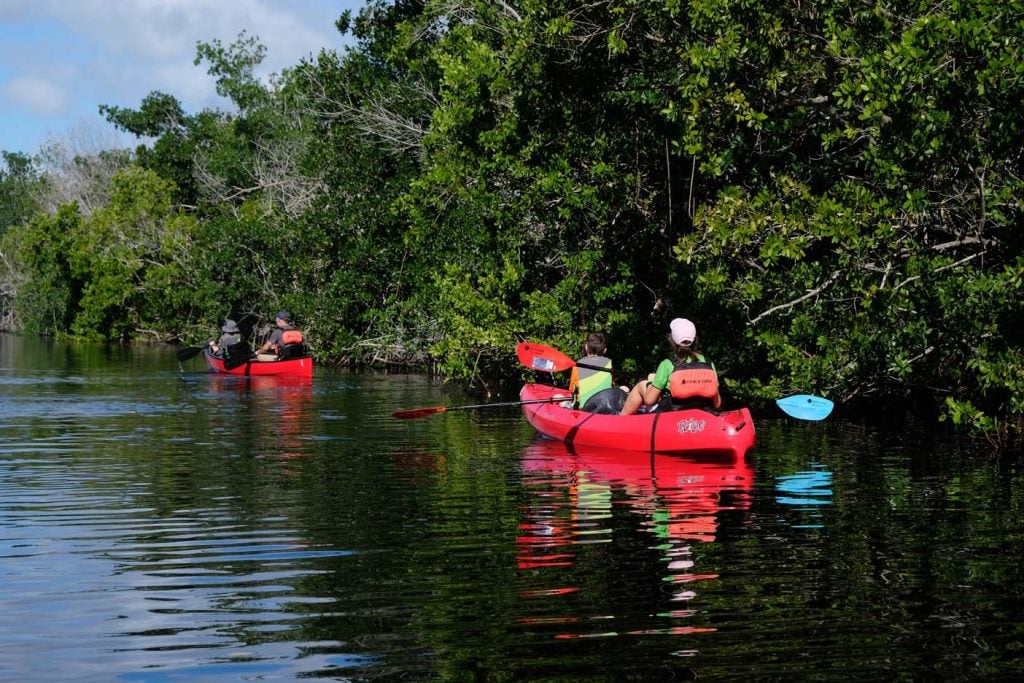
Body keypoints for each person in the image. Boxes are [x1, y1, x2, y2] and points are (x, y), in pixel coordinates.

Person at [619, 318, 722, 415]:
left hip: (671, 414)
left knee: (642, 385)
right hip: (702, 414)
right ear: (695, 340)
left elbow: (649, 400)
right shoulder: (708, 364)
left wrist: (651, 382)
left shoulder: (668, 364)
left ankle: (620, 421)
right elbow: (717, 403)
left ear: (671, 340)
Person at [567, 332, 626, 414]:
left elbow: (572, 390)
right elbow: (611, 385)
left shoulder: (578, 365)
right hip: (606, 407)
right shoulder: (609, 364)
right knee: (624, 389)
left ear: (586, 347)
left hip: (585, 408)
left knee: (558, 397)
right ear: (605, 350)